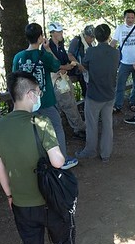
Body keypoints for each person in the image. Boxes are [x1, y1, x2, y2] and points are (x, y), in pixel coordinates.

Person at [0, 72, 86, 244]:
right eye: (39, 93)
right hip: (50, 199)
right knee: (63, 239)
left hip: (22, 202)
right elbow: (57, 161)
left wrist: (10, 195)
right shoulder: (40, 122)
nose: (40, 97)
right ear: (30, 94)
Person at [13, 23, 79, 170]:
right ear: (40, 37)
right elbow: (56, 65)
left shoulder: (18, 58)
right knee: (56, 127)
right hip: (46, 99)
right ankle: (61, 159)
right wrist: (48, 48)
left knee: (34, 131)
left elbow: (14, 80)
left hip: (26, 103)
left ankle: (39, 162)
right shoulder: (44, 56)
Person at [76, 24, 118, 162]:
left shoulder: (91, 52)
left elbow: (85, 66)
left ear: (96, 37)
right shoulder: (115, 52)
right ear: (108, 36)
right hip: (110, 94)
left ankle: (90, 151)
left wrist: (76, 64)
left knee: (92, 124)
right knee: (107, 124)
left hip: (94, 94)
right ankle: (106, 154)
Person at [47, 22, 87, 141]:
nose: (61, 34)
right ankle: (80, 128)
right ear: (52, 33)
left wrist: (70, 65)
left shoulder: (60, 44)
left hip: (64, 78)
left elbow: (64, 59)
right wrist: (66, 67)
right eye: (58, 32)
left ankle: (74, 128)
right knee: (68, 104)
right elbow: (53, 64)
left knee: (70, 102)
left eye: (61, 31)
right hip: (57, 79)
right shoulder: (48, 47)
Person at [111, 9, 135, 113]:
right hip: (124, 62)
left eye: (132, 17)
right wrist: (107, 52)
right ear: (124, 18)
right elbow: (113, 42)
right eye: (128, 17)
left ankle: (133, 102)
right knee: (120, 84)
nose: (130, 19)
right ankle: (117, 105)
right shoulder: (120, 28)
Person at [67, 24, 95, 97]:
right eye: (90, 37)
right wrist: (78, 64)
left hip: (89, 69)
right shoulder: (76, 41)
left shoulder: (92, 43)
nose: (92, 39)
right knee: (86, 89)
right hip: (79, 70)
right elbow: (69, 55)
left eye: (93, 37)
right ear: (85, 35)